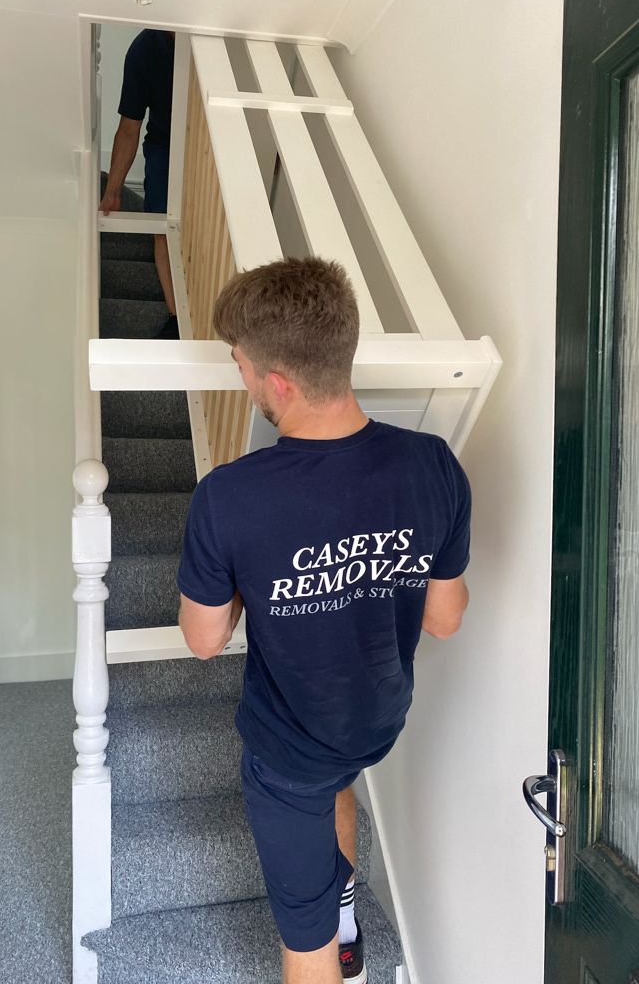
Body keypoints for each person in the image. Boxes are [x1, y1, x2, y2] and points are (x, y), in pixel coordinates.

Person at [177, 257, 471, 984]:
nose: (241, 380)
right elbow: (445, 620)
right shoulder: (432, 463)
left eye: (241, 366)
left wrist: (260, 578)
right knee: (336, 781)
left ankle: (324, 931)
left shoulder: (230, 498)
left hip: (290, 752)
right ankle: (343, 908)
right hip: (377, 721)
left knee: (303, 944)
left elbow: (204, 640)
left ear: (277, 381)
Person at [99, 29, 177, 338]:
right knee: (162, 227)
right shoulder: (145, 49)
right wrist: (112, 191)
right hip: (164, 146)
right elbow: (130, 127)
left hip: (211, 138)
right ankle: (177, 317)